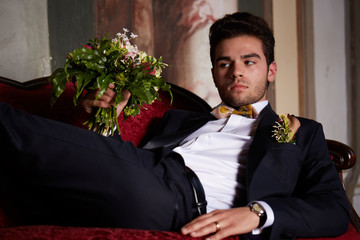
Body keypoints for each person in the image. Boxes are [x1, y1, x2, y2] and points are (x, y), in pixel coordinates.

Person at [0, 12, 350, 240]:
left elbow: (333, 209)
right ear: (215, 73)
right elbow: (117, 170)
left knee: (15, 128)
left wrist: (257, 214)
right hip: (145, 178)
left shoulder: (302, 133)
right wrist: (108, 121)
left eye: (249, 61)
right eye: (224, 62)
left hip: (180, 201)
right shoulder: (179, 120)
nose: (236, 71)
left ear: (270, 71)